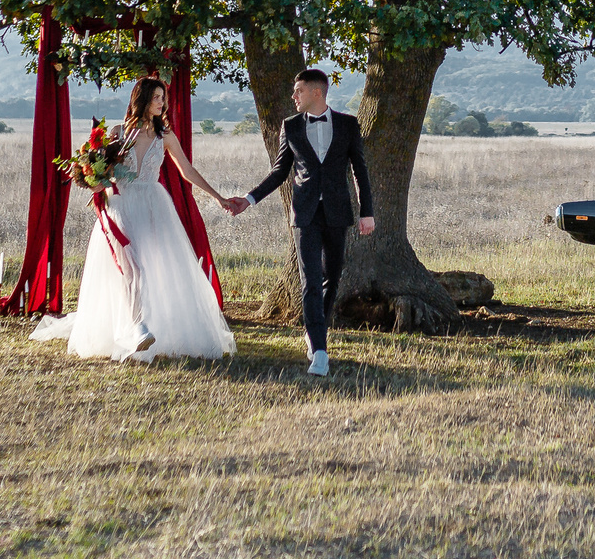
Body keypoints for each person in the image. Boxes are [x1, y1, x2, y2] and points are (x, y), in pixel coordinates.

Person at [32, 77, 236, 363]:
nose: (160, 102)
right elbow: (100, 171)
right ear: (141, 99)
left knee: (155, 269)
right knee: (133, 267)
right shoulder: (118, 133)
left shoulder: (165, 136)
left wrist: (217, 196)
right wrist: (92, 180)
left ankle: (153, 326)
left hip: (153, 205)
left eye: (162, 97)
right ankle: (136, 328)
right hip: (121, 204)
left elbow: (187, 170)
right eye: (155, 97)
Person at [223, 67, 373, 377]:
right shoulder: (290, 126)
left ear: (317, 92)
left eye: (299, 91)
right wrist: (248, 200)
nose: (294, 96)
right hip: (304, 214)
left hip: (337, 212)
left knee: (331, 277)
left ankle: (317, 329)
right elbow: (280, 172)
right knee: (310, 281)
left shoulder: (347, 125)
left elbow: (359, 170)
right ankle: (319, 350)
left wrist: (366, 211)